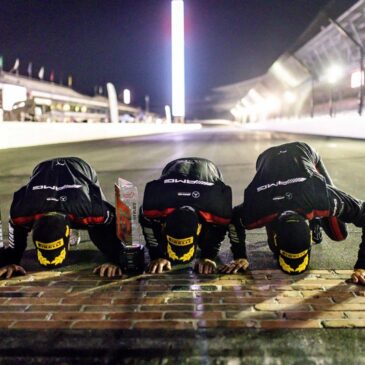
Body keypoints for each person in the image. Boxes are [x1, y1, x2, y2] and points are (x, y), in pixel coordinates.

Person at [221, 141, 365, 285]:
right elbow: (234, 219)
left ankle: (316, 220)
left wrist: (362, 266)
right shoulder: (258, 208)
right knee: (273, 246)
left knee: (339, 234)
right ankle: (310, 217)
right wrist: (240, 256)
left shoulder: (322, 197)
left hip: (302, 152)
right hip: (267, 159)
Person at [0, 157, 124, 279]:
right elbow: (16, 238)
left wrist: (116, 259)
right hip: (43, 171)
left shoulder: (92, 210)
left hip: (80, 169)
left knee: (98, 229)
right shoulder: (21, 213)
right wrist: (11, 261)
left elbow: (115, 222)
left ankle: (77, 227)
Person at [139, 157, 249, 274]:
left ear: (199, 228)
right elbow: (146, 218)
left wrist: (209, 256)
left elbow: (231, 223)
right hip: (172, 175)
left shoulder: (216, 208)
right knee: (155, 225)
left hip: (207, 171)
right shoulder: (154, 207)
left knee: (213, 231)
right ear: (163, 225)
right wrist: (157, 255)